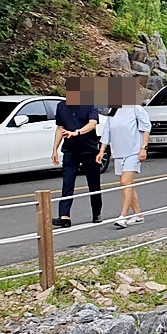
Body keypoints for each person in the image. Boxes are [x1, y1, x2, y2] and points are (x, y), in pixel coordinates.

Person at [52, 76, 104, 227]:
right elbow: (60, 128)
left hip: (89, 149)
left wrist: (77, 132)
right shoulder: (61, 106)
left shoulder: (89, 104)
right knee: (67, 183)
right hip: (70, 150)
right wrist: (55, 149)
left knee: (93, 183)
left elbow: (92, 124)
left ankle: (96, 213)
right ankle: (64, 216)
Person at [104, 93, 151, 229]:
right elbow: (107, 132)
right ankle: (138, 215)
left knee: (125, 182)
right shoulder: (113, 111)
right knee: (127, 185)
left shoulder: (136, 109)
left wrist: (144, 148)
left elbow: (146, 129)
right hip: (119, 152)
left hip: (133, 151)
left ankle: (123, 216)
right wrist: (102, 151)